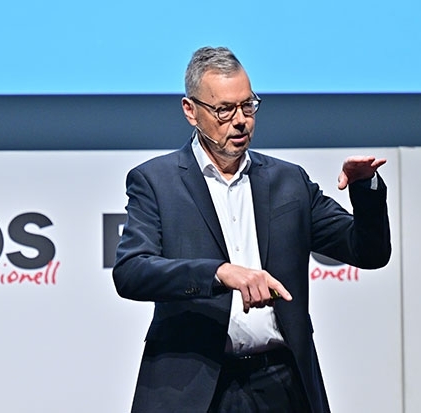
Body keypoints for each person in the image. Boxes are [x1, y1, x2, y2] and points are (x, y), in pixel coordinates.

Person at [112, 46, 391, 413]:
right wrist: (218, 273)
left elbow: (368, 253)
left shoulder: (289, 182)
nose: (240, 120)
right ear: (190, 111)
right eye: (224, 110)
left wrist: (366, 189)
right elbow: (131, 271)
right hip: (194, 390)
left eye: (248, 106)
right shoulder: (155, 182)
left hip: (281, 385)